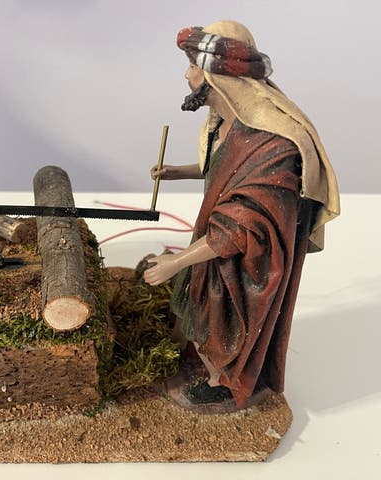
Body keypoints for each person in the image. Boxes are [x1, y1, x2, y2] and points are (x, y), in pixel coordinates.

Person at [144, 21, 340, 409]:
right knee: (200, 311)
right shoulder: (226, 121)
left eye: (193, 66)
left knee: (223, 324)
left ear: (218, 76)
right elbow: (223, 167)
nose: (186, 75)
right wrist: (178, 172)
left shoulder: (274, 143)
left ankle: (222, 384)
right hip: (214, 248)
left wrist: (176, 262)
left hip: (245, 265)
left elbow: (242, 224)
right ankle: (205, 365)